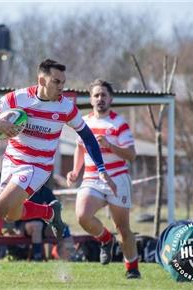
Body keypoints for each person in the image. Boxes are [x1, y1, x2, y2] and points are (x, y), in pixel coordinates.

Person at [0, 59, 117, 282]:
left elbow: (87, 137)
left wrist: (101, 167)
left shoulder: (65, 107)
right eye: (56, 81)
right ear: (41, 80)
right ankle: (49, 213)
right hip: (12, 161)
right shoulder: (19, 98)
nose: (61, 86)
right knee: (11, 214)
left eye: (63, 82)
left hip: (37, 167)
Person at [66, 79, 141, 278]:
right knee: (82, 215)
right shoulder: (84, 122)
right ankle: (106, 240)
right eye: (96, 95)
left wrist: (110, 146)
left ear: (111, 99)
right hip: (92, 178)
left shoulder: (119, 123)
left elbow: (132, 156)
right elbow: (80, 148)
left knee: (123, 228)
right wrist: (75, 171)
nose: (100, 99)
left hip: (117, 180)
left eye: (104, 95)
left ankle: (132, 269)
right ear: (91, 100)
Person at [15, 181, 57, 261]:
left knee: (62, 227)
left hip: (44, 224)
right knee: (37, 225)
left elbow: (55, 209)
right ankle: (37, 255)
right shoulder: (24, 191)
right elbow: (18, 212)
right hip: (25, 225)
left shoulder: (47, 192)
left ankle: (69, 255)